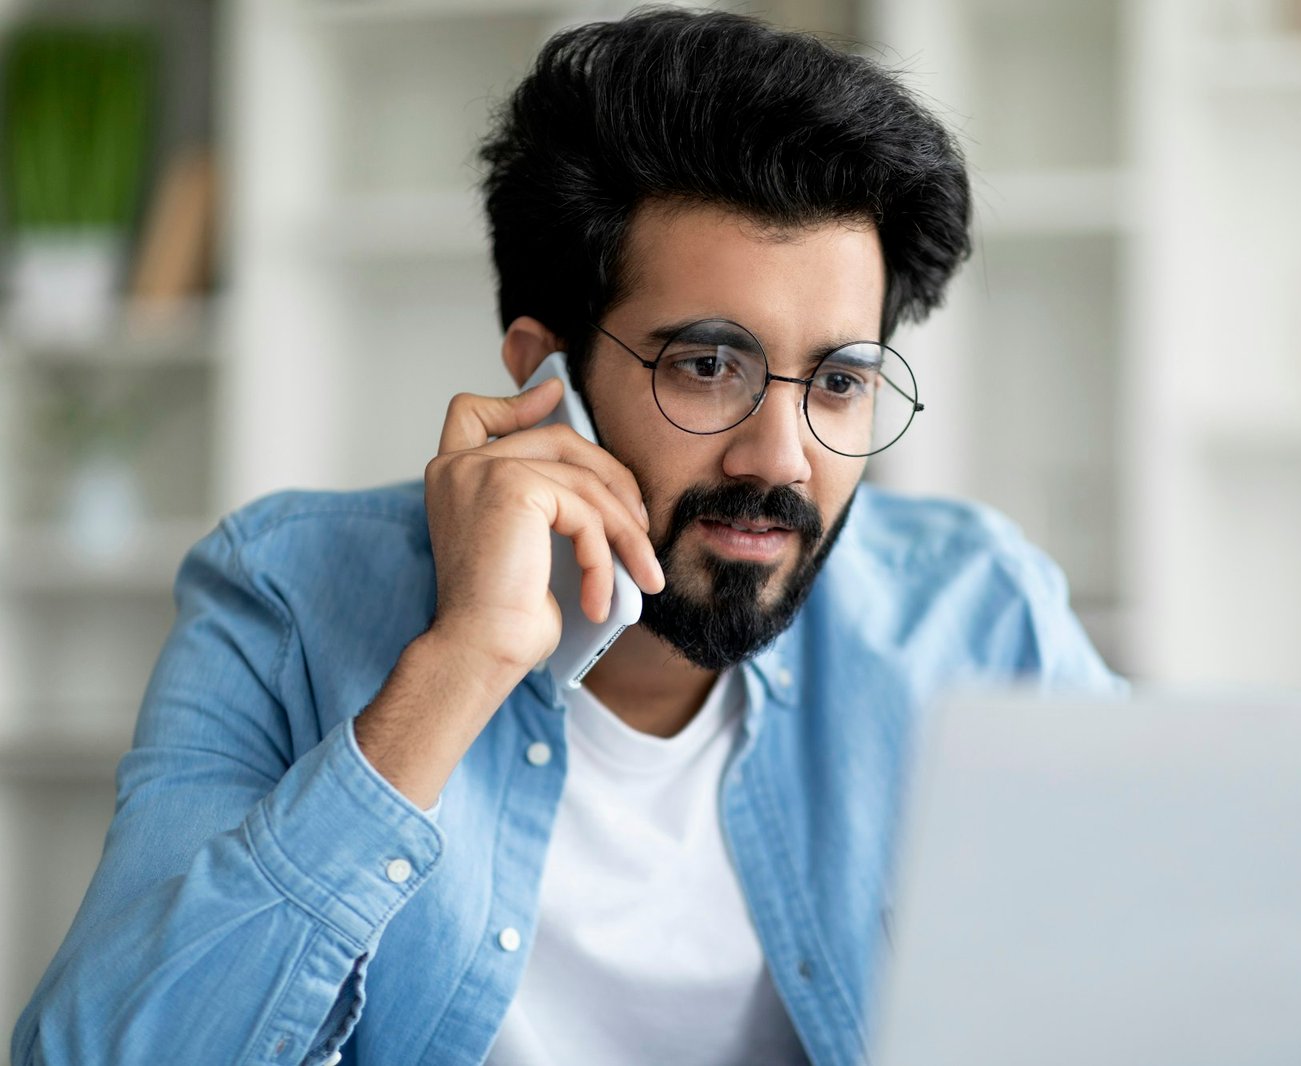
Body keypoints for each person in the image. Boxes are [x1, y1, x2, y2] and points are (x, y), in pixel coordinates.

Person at [11, 8, 1123, 1066]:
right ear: (545, 375)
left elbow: (1165, 985)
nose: (780, 458)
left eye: (838, 382)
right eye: (706, 365)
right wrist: (462, 664)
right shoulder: (288, 595)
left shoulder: (977, 613)